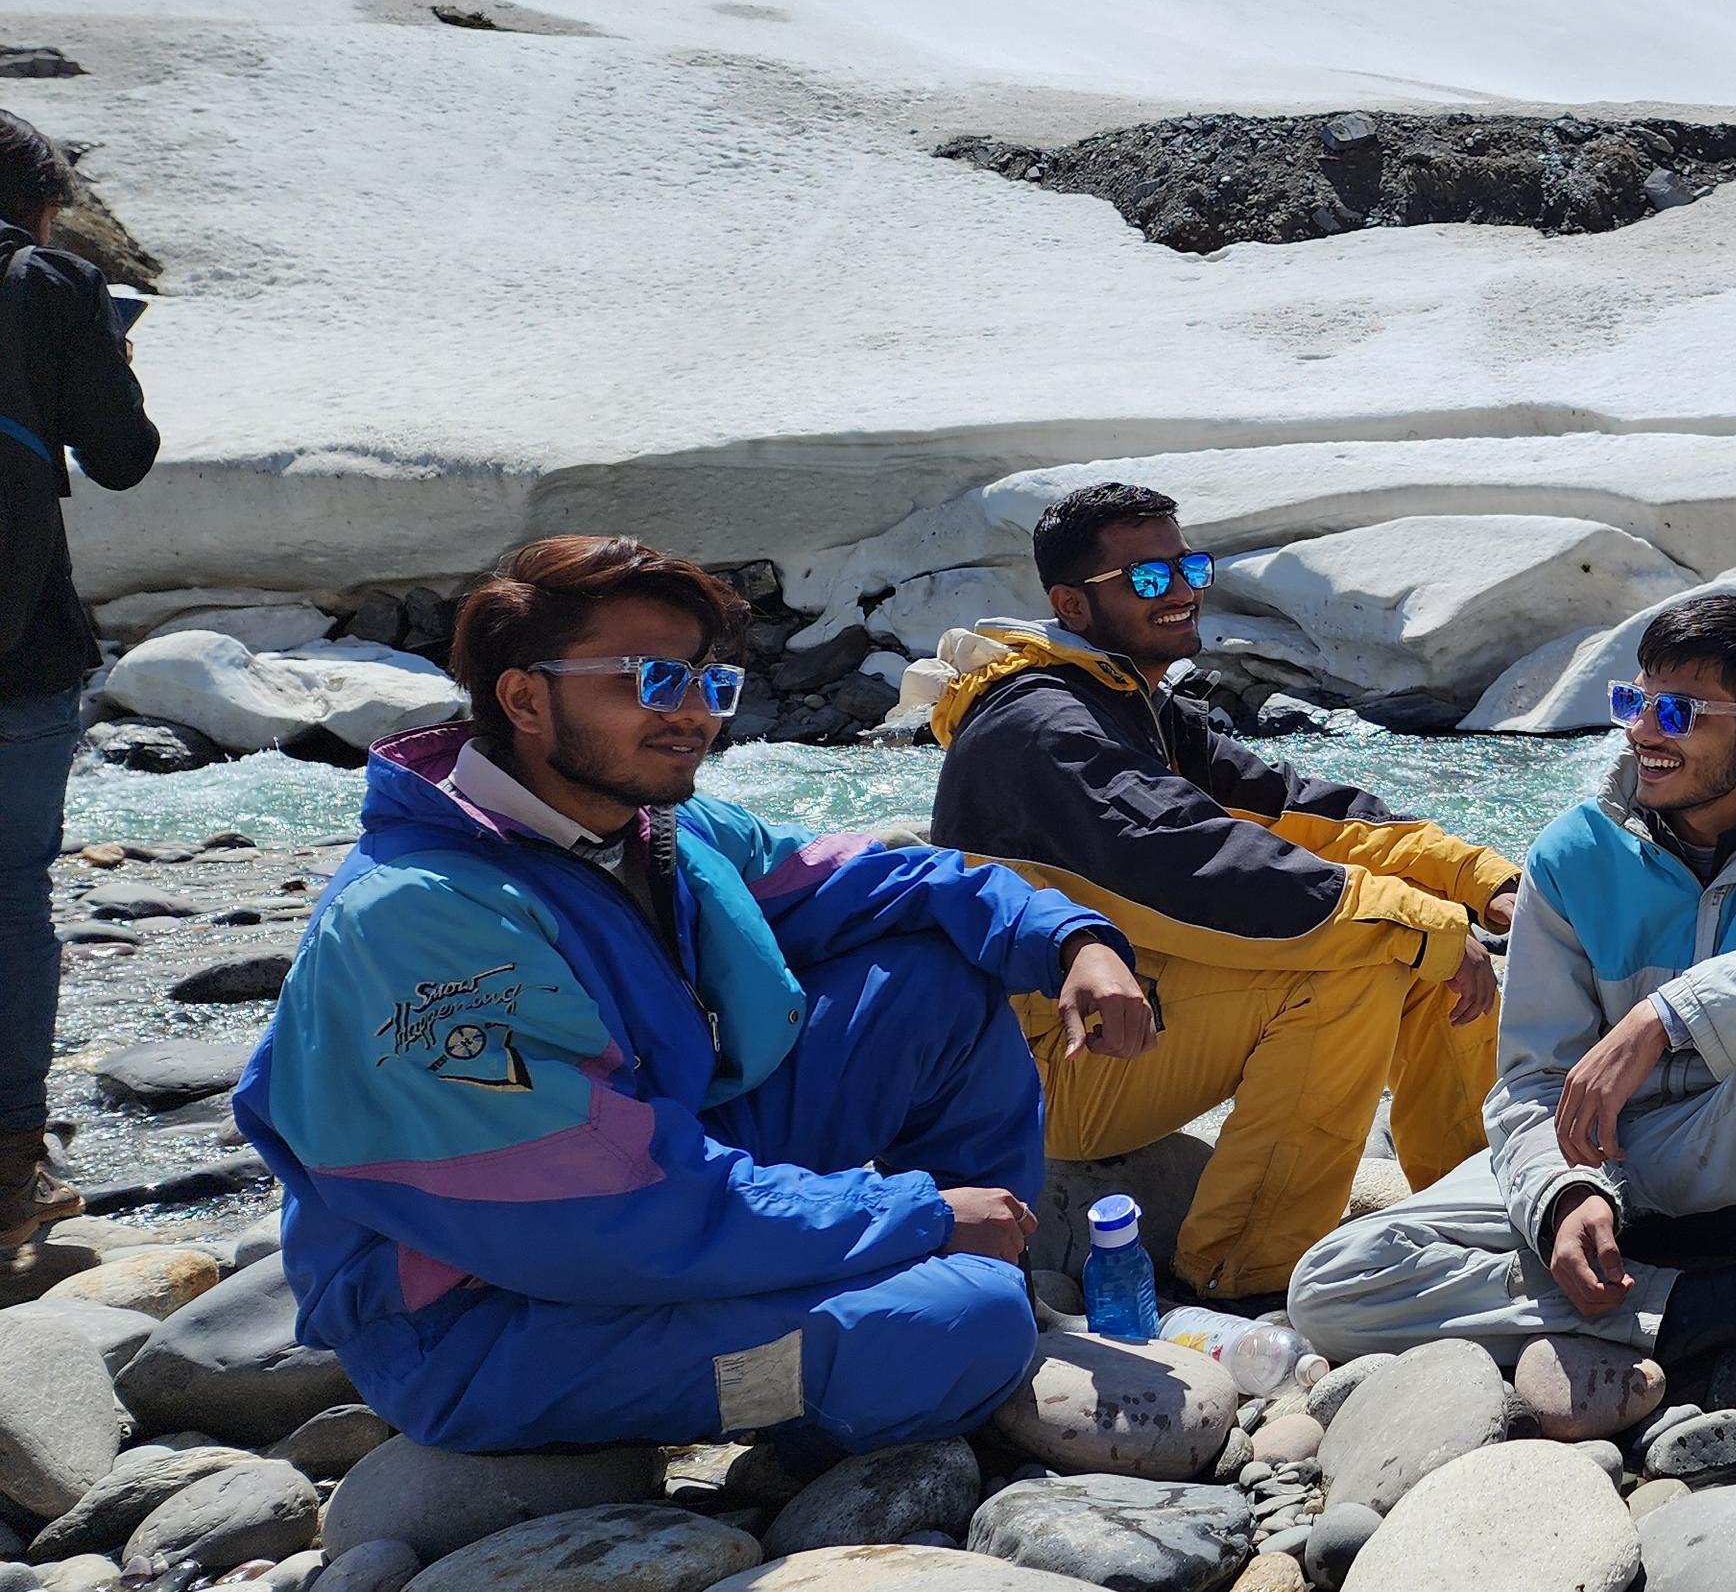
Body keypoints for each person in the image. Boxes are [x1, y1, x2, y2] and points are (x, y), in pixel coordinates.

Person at [235, 537, 1153, 1453]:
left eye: (706, 683)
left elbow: (897, 880)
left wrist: (1071, 938)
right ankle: (903, 1336)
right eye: (647, 679)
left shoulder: (654, 826)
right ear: (523, 697)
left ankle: (972, 1264)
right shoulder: (420, 917)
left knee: (933, 977)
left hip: (659, 1179)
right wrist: (914, 1216)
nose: (694, 717)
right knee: (966, 1323)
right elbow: (606, 1210)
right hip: (490, 1317)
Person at [1291, 595, 1736, 1504]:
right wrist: (1563, 1195)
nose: (1643, 732)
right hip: (1619, 1158)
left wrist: (1669, 1012)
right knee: (1334, 1281)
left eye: (1677, 713)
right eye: (1633, 702)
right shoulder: (1574, 852)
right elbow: (1530, 1082)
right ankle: (1713, 1310)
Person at [926, 483, 1521, 1303]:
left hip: (1111, 1029)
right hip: (1035, 1071)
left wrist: (1476, 878)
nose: (1179, 589)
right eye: (1145, 578)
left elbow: (1300, 812)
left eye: (1188, 564)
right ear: (1070, 602)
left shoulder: (1118, 698)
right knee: (1360, 964)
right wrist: (1427, 925)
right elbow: (1207, 866)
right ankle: (1244, 1277)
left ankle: (1476, 1204)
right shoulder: (1047, 728)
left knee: (1416, 945)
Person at [0, 111, 157, 1247]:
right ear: (42, 200)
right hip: (18, 645)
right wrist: (105, 358)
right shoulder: (46, 281)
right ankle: (10, 1169)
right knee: (9, 894)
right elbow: (123, 455)